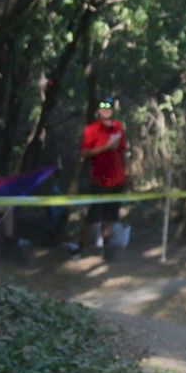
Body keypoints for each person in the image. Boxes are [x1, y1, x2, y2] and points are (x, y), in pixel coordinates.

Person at [71, 96, 128, 260]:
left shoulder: (119, 127)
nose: (106, 110)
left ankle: (107, 248)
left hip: (117, 179)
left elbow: (123, 151)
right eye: (103, 107)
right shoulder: (91, 129)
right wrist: (105, 147)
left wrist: (127, 173)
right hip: (99, 180)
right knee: (93, 216)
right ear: (98, 110)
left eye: (108, 107)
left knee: (110, 216)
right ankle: (80, 247)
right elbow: (84, 153)